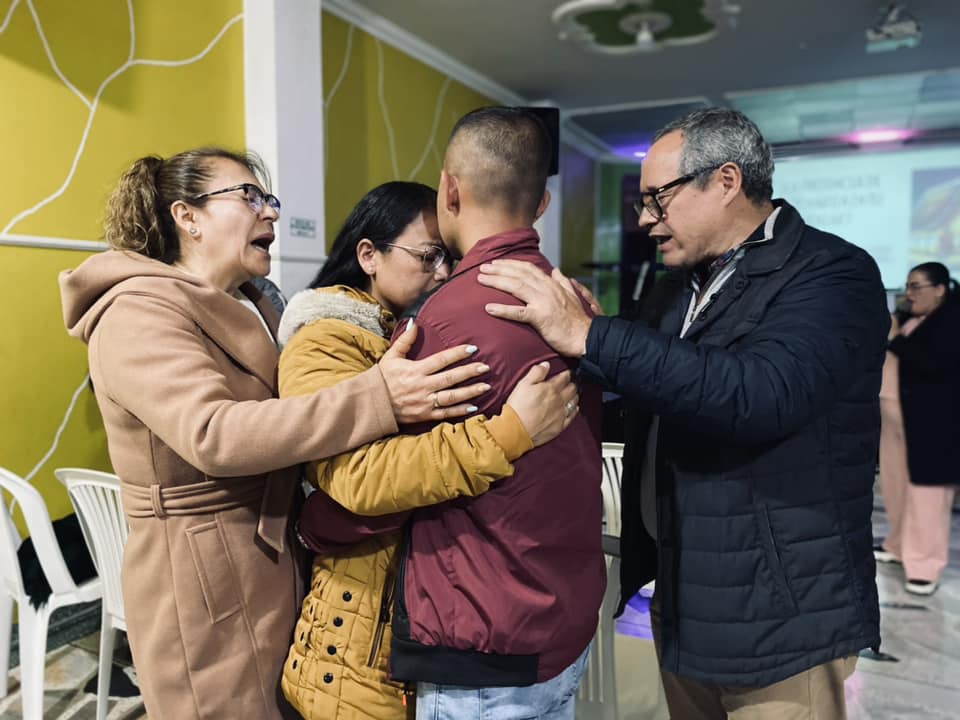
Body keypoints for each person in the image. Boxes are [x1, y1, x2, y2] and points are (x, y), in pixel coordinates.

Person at [57, 147, 532, 720]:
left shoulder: (255, 303)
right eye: (249, 196)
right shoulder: (136, 312)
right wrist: (379, 397)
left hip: (272, 545)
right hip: (201, 567)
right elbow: (213, 434)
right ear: (188, 217)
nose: (271, 212)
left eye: (269, 198)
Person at [477, 108, 891, 718]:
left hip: (784, 613)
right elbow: (658, 386)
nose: (645, 218)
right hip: (684, 593)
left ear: (726, 181)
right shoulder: (679, 283)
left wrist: (594, 338)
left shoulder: (830, 273)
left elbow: (757, 395)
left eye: (658, 198)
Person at [276, 180, 578, 719]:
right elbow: (360, 479)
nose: (442, 272)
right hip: (359, 632)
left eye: (448, 257)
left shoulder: (409, 331)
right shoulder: (324, 339)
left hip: (417, 621)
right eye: (427, 256)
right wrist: (511, 432)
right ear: (368, 255)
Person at [384, 107, 605, 720]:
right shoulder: (576, 304)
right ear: (542, 204)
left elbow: (392, 477)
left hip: (483, 631)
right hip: (562, 611)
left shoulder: (446, 317)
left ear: (450, 191)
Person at [876, 261, 960, 595]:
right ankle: (898, 545)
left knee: (927, 497)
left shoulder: (951, 322)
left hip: (932, 426)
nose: (909, 294)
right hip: (897, 418)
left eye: (916, 287)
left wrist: (896, 339)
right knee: (896, 487)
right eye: (908, 286)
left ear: (939, 290)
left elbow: (934, 363)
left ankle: (925, 564)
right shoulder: (911, 318)